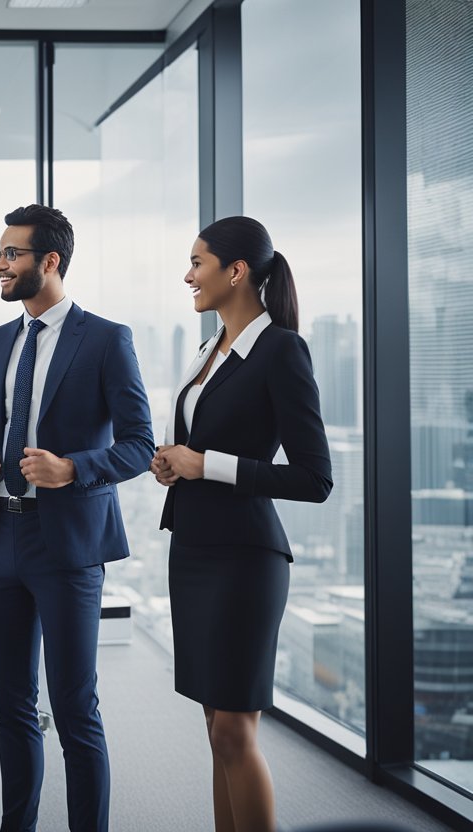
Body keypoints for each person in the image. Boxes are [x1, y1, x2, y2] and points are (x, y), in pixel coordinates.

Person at [0, 204, 154, 832]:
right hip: (0, 539)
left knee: (74, 709)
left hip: (66, 544)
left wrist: (72, 469)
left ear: (49, 261)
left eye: (10, 253)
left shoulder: (104, 339)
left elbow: (139, 444)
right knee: (11, 708)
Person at [151, 216, 332, 832]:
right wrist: (176, 462)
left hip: (244, 558)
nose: (188, 274)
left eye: (197, 262)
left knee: (233, 730)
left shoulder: (280, 349)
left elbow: (314, 478)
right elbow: (205, 447)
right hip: (195, 549)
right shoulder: (211, 350)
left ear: (237, 271)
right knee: (216, 729)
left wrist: (206, 463)